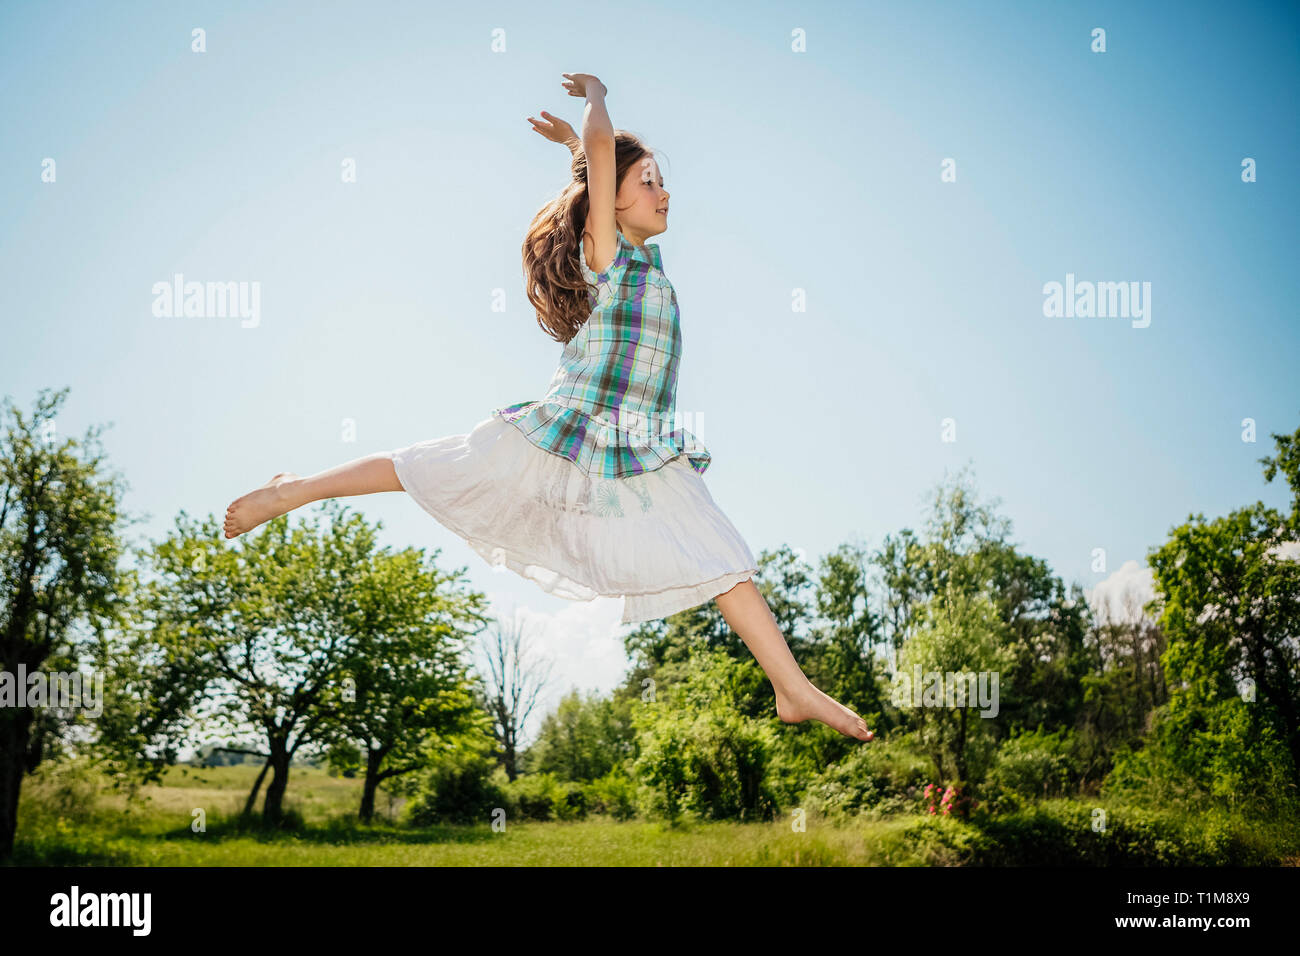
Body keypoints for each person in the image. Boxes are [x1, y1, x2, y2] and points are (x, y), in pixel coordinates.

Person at [224, 72, 873, 742]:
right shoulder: (610, 256)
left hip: (640, 443)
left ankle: (791, 688)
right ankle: (295, 491)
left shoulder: (649, 266)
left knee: (720, 553)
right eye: (647, 179)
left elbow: (596, 162)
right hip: (572, 423)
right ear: (608, 199)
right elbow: (600, 156)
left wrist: (573, 143)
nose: (663, 190)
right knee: (431, 466)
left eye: (659, 179)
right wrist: (594, 104)